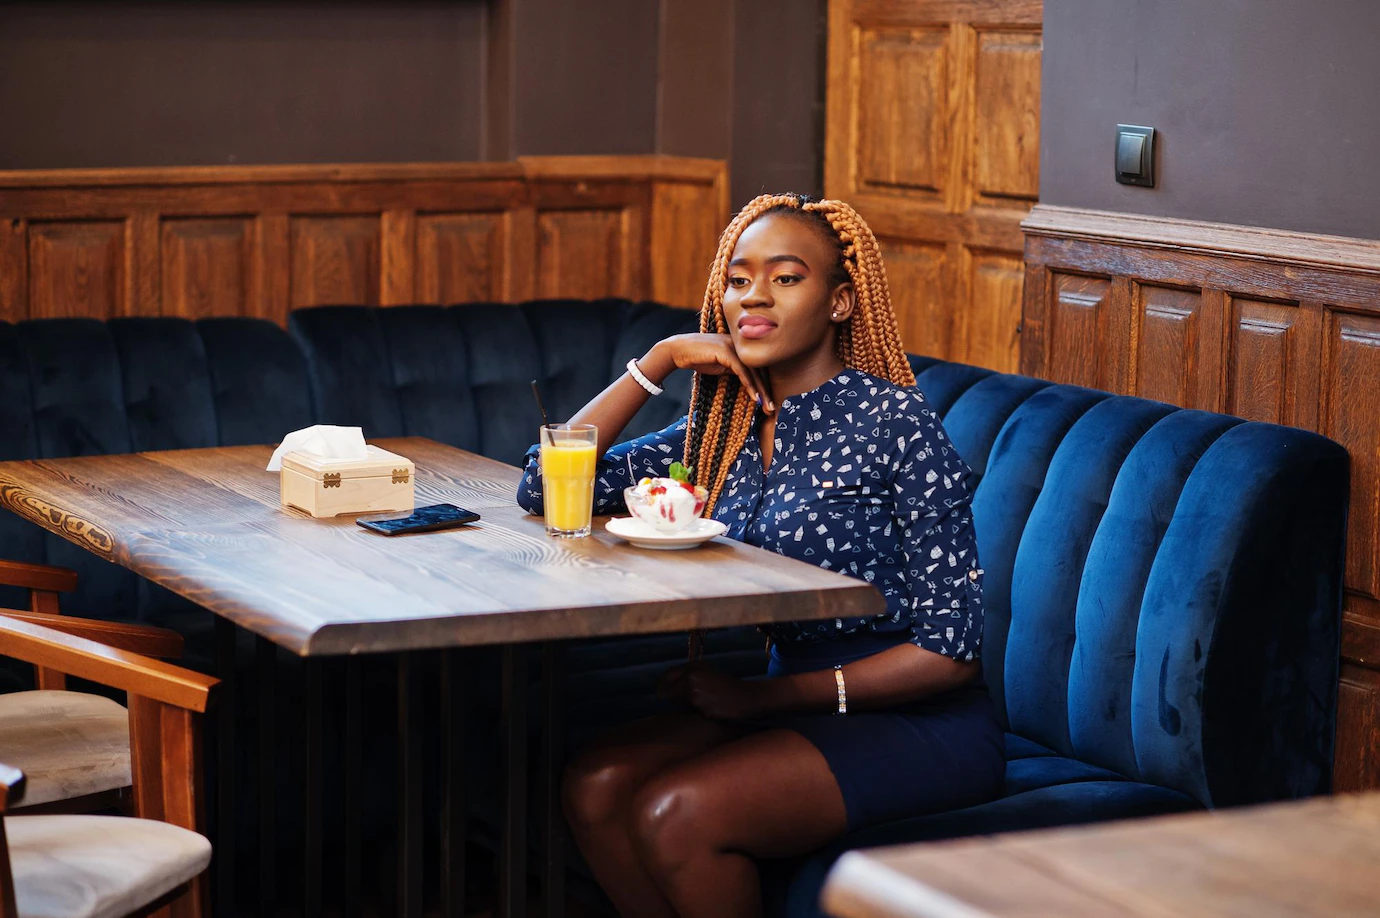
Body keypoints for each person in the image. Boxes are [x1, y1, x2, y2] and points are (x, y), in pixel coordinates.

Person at [516, 193, 1004, 918]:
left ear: (840, 302)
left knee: (678, 813)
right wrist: (660, 359)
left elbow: (951, 650)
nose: (755, 298)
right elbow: (546, 482)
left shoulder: (895, 421)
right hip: (784, 700)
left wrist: (764, 698)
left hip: (916, 721)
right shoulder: (723, 423)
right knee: (594, 787)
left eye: (785, 278)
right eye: (739, 280)